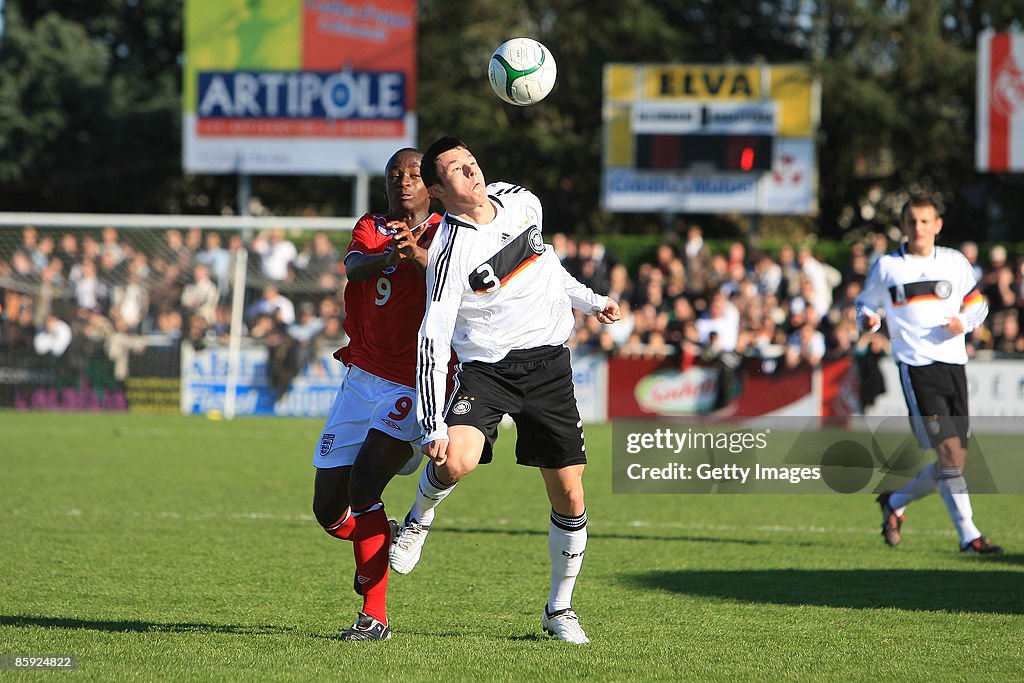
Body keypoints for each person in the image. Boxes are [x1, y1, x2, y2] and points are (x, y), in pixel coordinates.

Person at [388, 136, 620, 645]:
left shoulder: (522, 200)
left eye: (471, 163)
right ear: (438, 190)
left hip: (549, 367)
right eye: (455, 170)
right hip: (488, 370)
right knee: (454, 460)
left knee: (570, 493)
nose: (470, 173)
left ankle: (560, 609)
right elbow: (433, 333)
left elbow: (547, 265)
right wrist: (432, 422)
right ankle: (419, 518)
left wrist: (590, 300)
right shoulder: (450, 251)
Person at [311, 148, 443, 641]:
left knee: (365, 486)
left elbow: (464, 282)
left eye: (413, 175)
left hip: (414, 379)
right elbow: (354, 267)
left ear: (430, 183)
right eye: (395, 176)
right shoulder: (372, 224)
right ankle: (376, 540)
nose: (404, 183)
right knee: (328, 509)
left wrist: (423, 257)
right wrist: (393, 254)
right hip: (361, 375)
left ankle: (374, 615)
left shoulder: (448, 230)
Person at [856, 192, 1001, 554]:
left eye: (925, 221)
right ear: (903, 225)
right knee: (950, 456)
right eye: (911, 221)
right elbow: (865, 304)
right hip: (917, 368)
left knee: (954, 461)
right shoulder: (888, 266)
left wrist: (963, 322)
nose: (918, 228)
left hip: (954, 365)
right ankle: (969, 536)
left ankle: (895, 501)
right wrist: (870, 320)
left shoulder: (954, 262)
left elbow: (978, 306)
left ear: (937, 225)